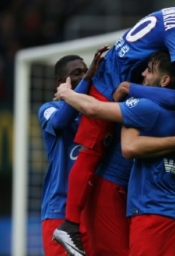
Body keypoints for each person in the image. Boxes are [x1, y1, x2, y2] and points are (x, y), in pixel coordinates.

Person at [54, 0, 175, 253]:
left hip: (151, 204)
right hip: (110, 90)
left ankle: (72, 223)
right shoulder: (151, 100)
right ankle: (69, 225)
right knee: (90, 154)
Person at [55, 50, 175, 255]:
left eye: (148, 70)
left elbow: (124, 142)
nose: (142, 75)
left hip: (145, 203)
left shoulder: (145, 107)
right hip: (169, 205)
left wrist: (67, 93)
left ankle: (69, 224)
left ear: (164, 80)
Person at [38, 46, 108, 256]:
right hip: (59, 211)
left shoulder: (98, 112)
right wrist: (77, 91)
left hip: (93, 211)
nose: (86, 75)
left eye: (86, 71)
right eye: (77, 73)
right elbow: (60, 122)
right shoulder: (50, 109)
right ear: (60, 82)